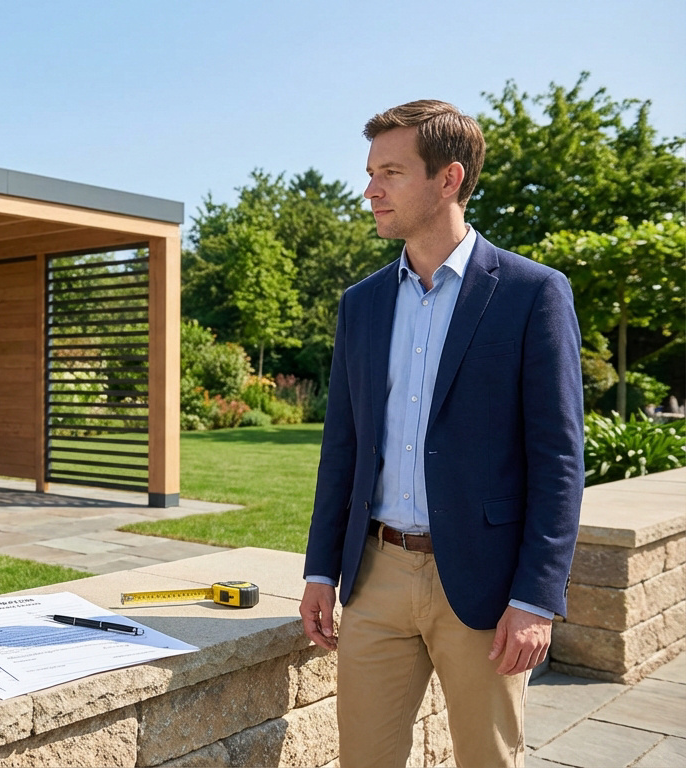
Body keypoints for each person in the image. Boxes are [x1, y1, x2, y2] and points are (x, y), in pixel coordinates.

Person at [299, 100, 584, 768]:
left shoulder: (532, 293)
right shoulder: (361, 303)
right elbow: (343, 444)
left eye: (391, 173)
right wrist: (319, 569)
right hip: (374, 579)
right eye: (371, 172)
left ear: (449, 178)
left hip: (486, 587)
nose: (371, 190)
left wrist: (536, 598)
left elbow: (558, 460)